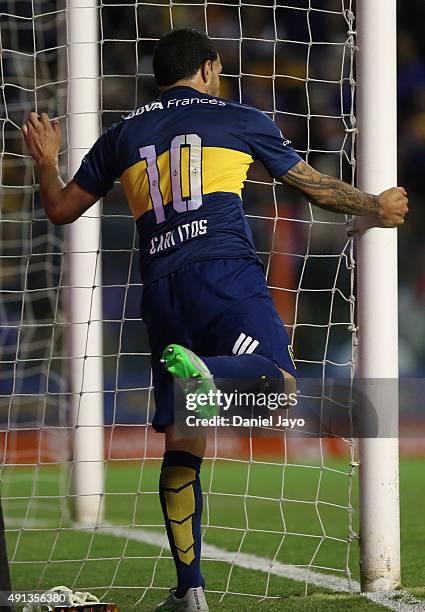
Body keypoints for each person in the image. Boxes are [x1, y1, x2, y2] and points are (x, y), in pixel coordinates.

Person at [22, 27, 408, 612]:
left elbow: (60, 209)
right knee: (276, 378)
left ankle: (190, 590)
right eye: (220, 70)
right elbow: (313, 188)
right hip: (224, 272)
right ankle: (210, 369)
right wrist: (377, 206)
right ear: (206, 68)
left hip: (161, 292)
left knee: (183, 443)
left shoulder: (121, 135)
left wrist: (47, 162)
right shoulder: (237, 118)